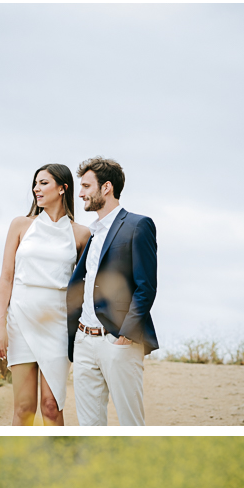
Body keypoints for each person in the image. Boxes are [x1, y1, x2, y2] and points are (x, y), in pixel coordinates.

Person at [0, 165, 92, 426]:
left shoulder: (81, 234)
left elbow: (84, 288)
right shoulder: (21, 225)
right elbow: (6, 277)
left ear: (62, 188)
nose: (36, 188)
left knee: (51, 407)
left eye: (44, 183)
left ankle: (58, 464)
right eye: (35, 183)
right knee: (24, 408)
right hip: (20, 320)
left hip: (57, 324)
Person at [67, 158, 158, 427]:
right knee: (89, 427)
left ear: (106, 187)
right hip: (83, 342)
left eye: (86, 186)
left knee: (131, 424)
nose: (81, 193)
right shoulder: (92, 234)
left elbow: (146, 287)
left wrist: (126, 335)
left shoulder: (138, 226)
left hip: (118, 341)